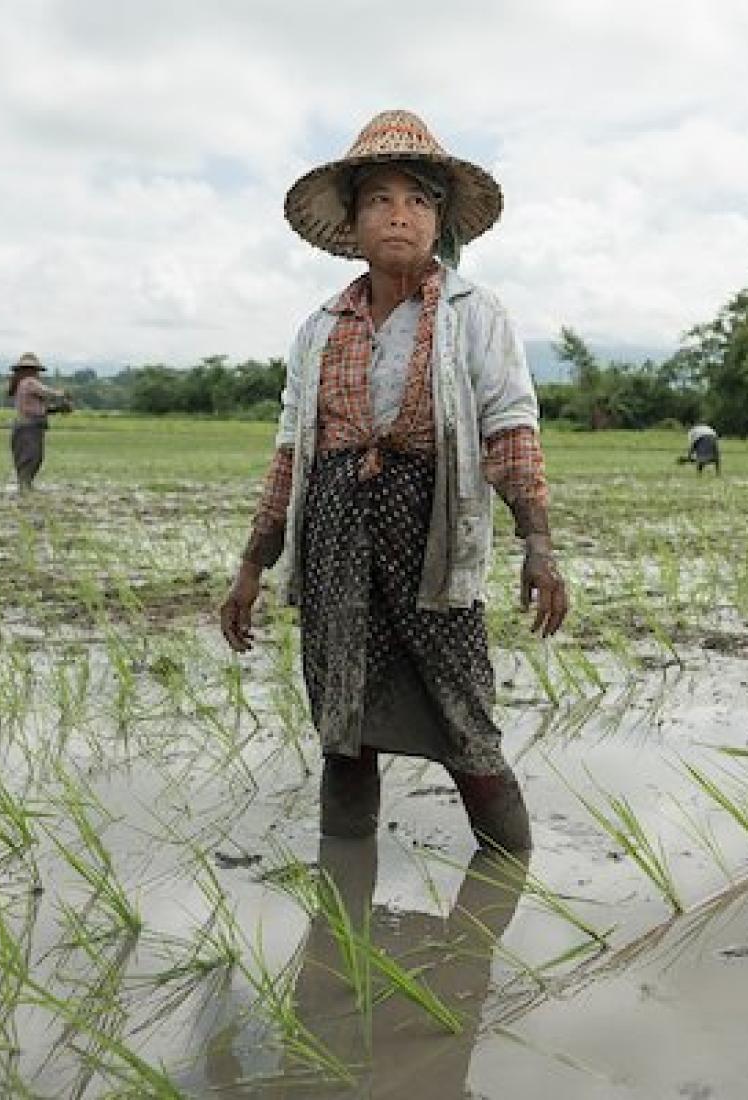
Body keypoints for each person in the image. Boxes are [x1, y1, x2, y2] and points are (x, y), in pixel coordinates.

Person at [218, 110, 567, 853]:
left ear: (440, 219)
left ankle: (510, 866)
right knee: (344, 728)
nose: (398, 215)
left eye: (417, 199)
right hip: (336, 540)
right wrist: (252, 566)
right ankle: (343, 901)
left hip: (431, 538)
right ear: (354, 220)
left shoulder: (475, 315)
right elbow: (290, 455)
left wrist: (538, 543)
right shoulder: (318, 328)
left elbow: (509, 426)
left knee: (466, 718)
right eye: (379, 199)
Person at [7, 352, 70, 492]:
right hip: (30, 426)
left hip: (26, 425)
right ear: (30, 370)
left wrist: (57, 409)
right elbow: (49, 393)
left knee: (27, 457)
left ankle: (25, 485)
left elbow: (40, 409)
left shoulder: (20, 385)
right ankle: (25, 486)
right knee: (31, 457)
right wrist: (63, 394)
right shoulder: (30, 382)